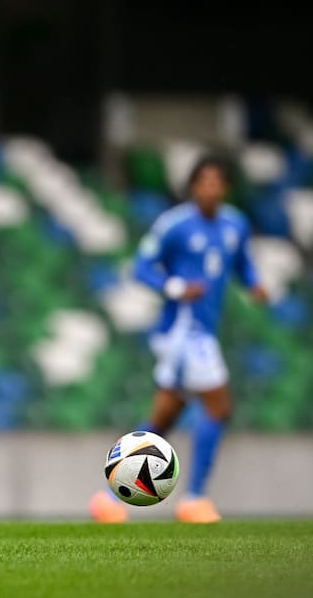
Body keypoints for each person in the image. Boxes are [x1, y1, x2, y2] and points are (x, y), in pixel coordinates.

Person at [89, 153, 268, 524]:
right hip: (183, 331)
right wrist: (174, 287)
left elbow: (241, 264)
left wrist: (254, 285)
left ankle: (109, 500)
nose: (211, 189)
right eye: (204, 182)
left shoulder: (235, 224)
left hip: (201, 331)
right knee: (218, 408)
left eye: (218, 182)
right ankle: (195, 498)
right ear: (192, 186)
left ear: (226, 188)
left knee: (165, 416)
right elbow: (140, 268)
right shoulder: (175, 225)